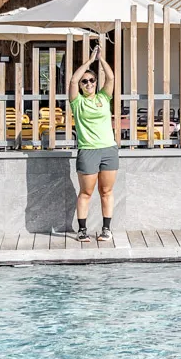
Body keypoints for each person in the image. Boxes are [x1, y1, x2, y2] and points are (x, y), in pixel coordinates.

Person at [67, 45, 118, 241]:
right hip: (88, 150)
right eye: (85, 81)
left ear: (96, 82)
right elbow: (72, 80)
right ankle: (82, 231)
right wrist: (88, 62)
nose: (88, 83)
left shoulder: (104, 97)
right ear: (80, 85)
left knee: (106, 191)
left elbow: (111, 78)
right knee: (86, 192)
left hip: (108, 150)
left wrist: (101, 59)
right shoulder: (77, 102)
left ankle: (106, 229)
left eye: (91, 80)